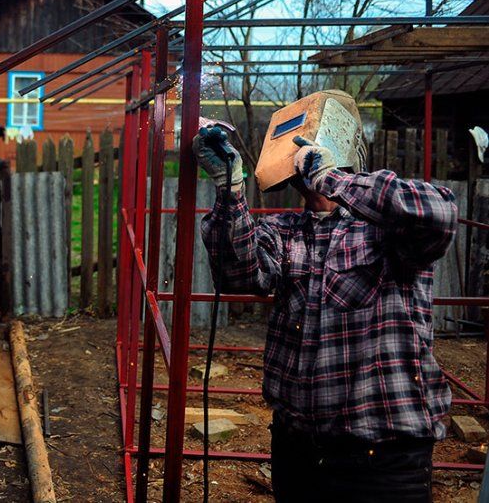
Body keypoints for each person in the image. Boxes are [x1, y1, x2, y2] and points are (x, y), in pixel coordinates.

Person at [193, 95, 458, 503]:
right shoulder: (285, 231)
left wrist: (332, 181)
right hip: (298, 450)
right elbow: (238, 273)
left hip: (382, 460)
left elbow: (439, 214)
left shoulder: (386, 229)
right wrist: (230, 189)